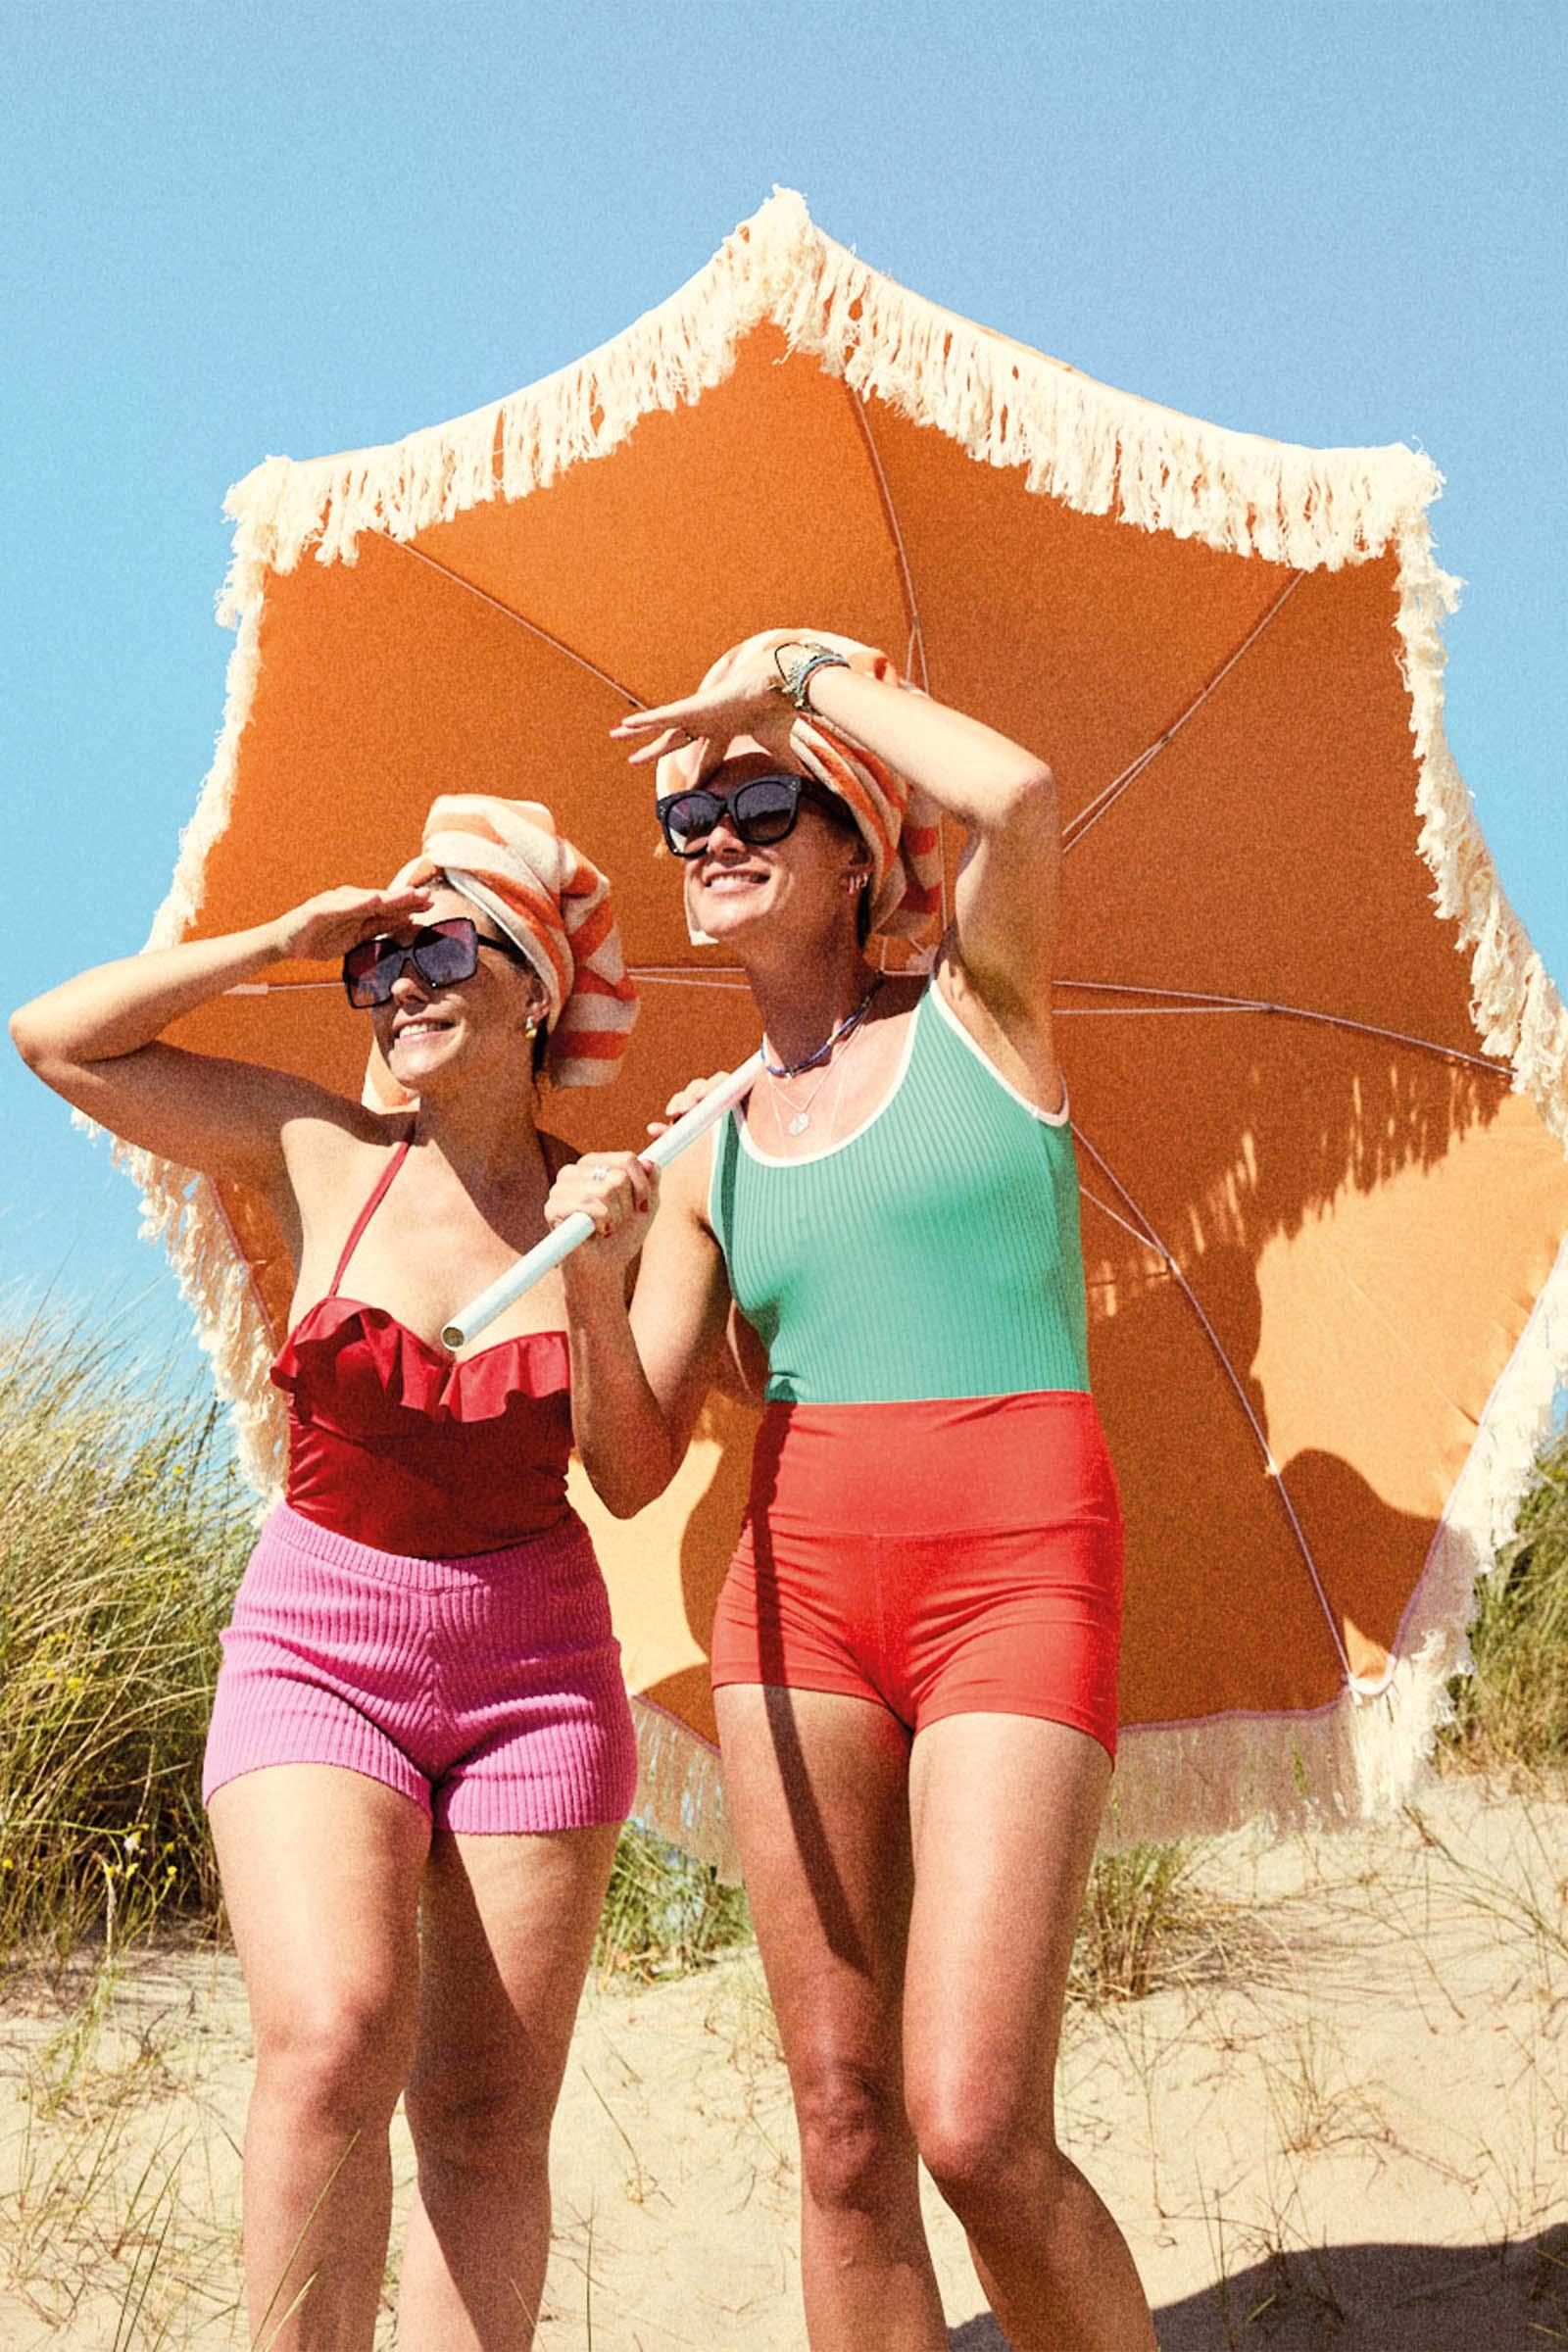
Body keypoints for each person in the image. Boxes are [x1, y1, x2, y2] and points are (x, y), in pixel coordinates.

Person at [545, 632, 1156, 2352]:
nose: (717, 833)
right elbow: (632, 1459)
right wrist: (594, 1276)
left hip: (1015, 1571)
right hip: (798, 1596)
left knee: (974, 2123)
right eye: (691, 820)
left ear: (859, 846)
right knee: (840, 2122)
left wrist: (794, 673)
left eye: (763, 802)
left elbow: (1017, 794)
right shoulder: (707, 1147)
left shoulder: (988, 1009)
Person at [10, 795, 642, 2351]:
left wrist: (607, 1282)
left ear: (536, 985)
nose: (401, 982)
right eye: (380, 962)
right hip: (320, 1644)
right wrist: (282, 939)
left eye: (440, 950)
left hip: (537, 1667)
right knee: (328, 2034)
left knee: (489, 2122)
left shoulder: (617, 1200)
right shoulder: (318, 1146)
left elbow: (632, 1470)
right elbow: (56, 1040)